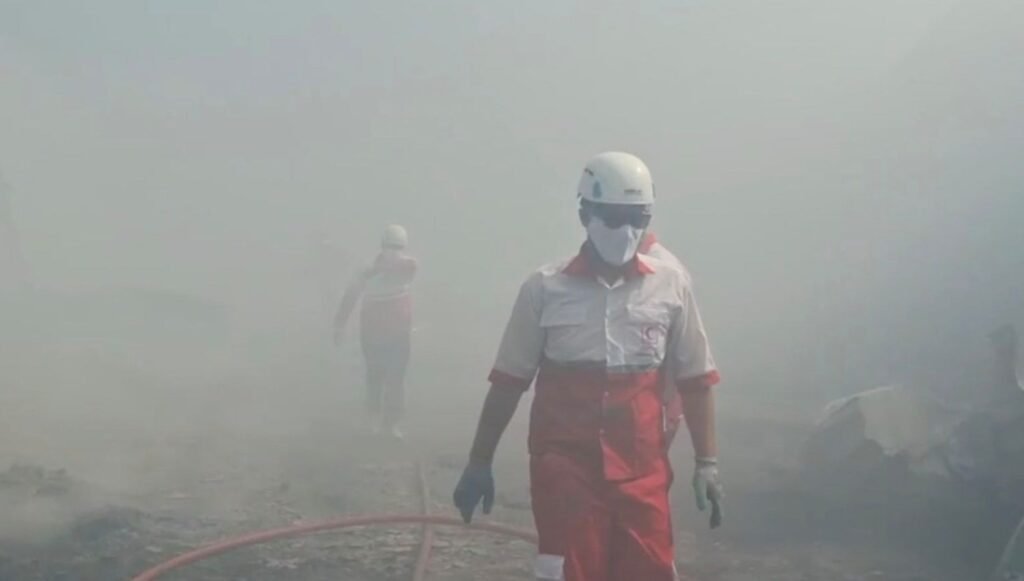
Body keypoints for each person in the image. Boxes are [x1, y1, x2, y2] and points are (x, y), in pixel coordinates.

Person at [453, 152, 723, 581]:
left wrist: (707, 462)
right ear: (584, 214)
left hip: (642, 471)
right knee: (568, 571)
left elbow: (696, 378)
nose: (625, 231)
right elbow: (508, 381)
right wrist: (479, 460)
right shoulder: (545, 289)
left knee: (650, 570)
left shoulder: (669, 286)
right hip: (566, 471)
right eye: (613, 218)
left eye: (637, 218)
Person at [334, 225, 417, 439]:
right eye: (391, 247)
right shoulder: (367, 270)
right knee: (376, 376)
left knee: (395, 379)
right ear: (382, 246)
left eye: (397, 247)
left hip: (397, 335)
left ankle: (390, 424)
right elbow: (350, 295)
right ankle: (373, 420)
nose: (393, 251)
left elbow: (407, 267)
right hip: (374, 335)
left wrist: (377, 268)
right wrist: (339, 324)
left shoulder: (406, 267)